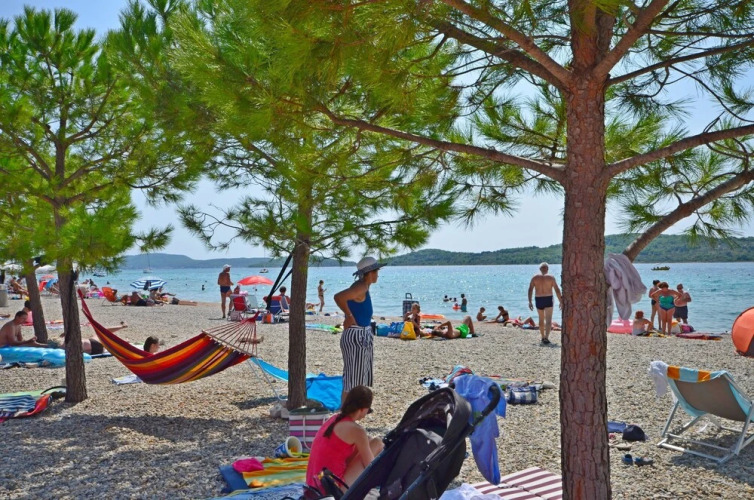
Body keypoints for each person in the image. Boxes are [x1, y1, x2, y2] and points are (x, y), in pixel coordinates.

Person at [305, 386, 383, 492]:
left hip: (313, 485)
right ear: (363, 409)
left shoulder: (334, 419)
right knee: (377, 442)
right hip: (332, 489)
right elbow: (370, 466)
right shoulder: (357, 431)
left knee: (367, 440)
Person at [334, 256, 385, 403]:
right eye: (376, 271)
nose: (378, 275)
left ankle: (356, 407)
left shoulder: (363, 286)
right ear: (370, 273)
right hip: (356, 335)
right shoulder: (361, 287)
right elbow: (338, 297)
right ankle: (345, 410)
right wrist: (349, 316)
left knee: (359, 375)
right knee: (352, 378)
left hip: (362, 334)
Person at [527, 262, 563, 345]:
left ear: (540, 269)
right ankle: (546, 337)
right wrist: (560, 301)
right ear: (547, 269)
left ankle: (542, 337)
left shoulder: (534, 277)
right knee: (548, 319)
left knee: (541, 318)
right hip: (548, 298)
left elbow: (530, 289)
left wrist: (530, 301)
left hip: (538, 299)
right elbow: (557, 290)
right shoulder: (551, 277)